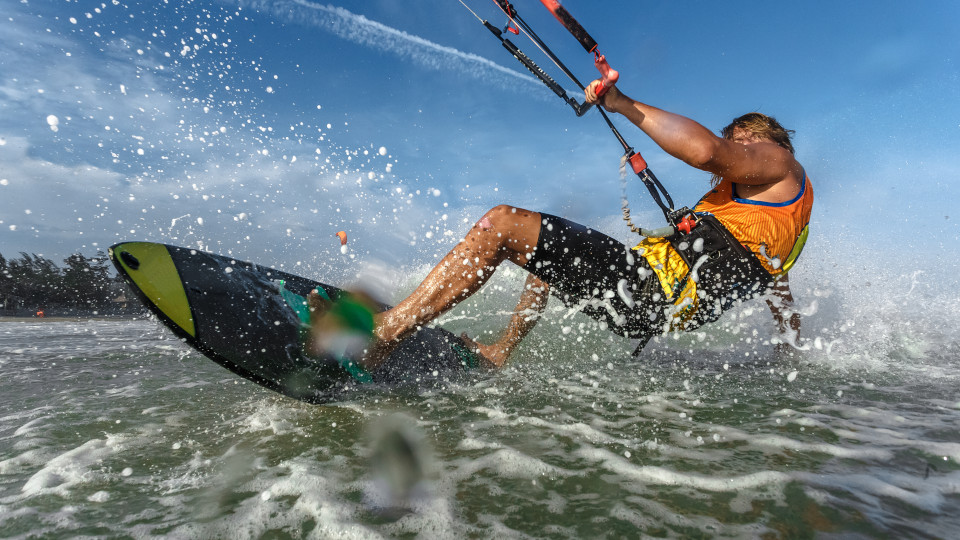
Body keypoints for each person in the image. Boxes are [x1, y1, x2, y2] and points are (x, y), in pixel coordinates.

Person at [309, 80, 813, 370]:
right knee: (543, 254)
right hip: (653, 307)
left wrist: (622, 104)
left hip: (650, 293)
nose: (737, 151)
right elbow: (778, 291)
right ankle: (500, 353)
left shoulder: (778, 163)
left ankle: (386, 332)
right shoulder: (783, 223)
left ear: (762, 140)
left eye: (742, 140)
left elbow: (707, 151)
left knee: (502, 223)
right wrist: (789, 349)